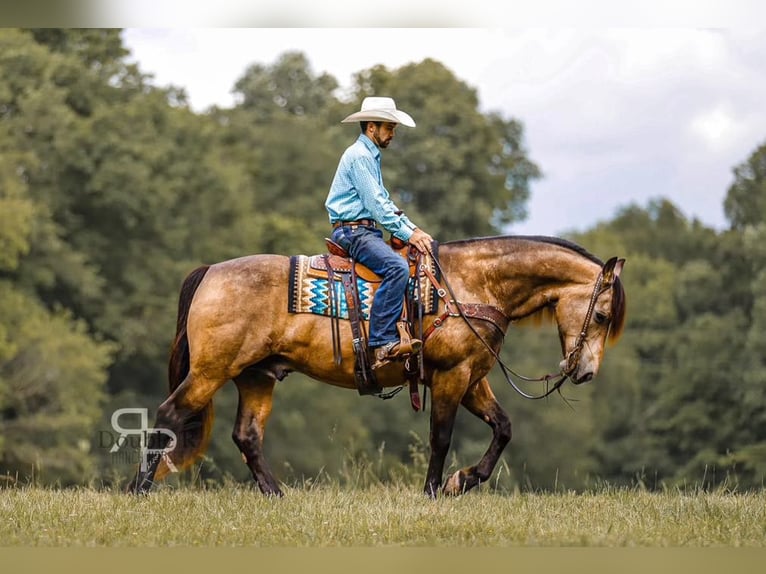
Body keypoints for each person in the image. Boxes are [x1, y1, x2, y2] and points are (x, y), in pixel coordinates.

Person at [325, 96, 434, 370]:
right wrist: (409, 234)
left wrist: (412, 229)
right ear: (371, 127)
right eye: (388, 127)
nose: (393, 133)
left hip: (363, 231)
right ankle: (382, 341)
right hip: (354, 233)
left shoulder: (369, 156)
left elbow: (384, 203)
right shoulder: (360, 157)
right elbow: (377, 205)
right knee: (397, 267)